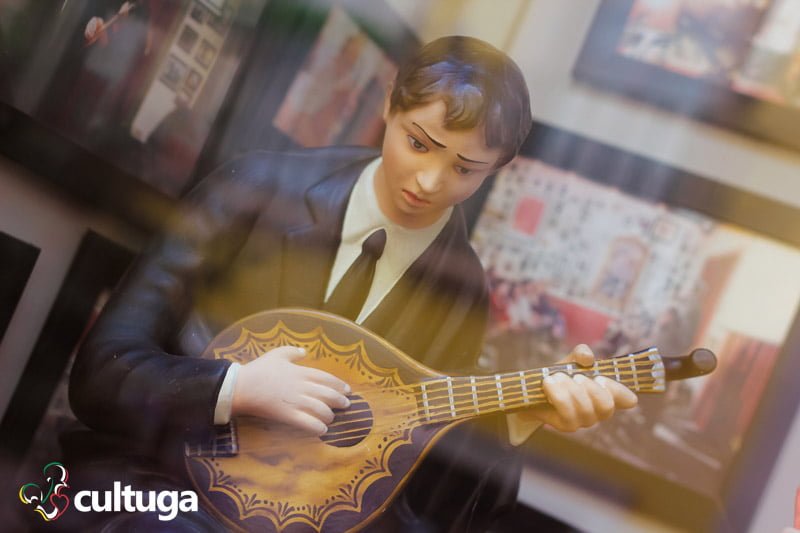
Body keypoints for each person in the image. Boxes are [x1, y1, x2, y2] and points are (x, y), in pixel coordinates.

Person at [66, 36, 637, 531]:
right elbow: (101, 373)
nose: (430, 181)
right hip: (154, 489)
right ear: (390, 103)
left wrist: (519, 419)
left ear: (497, 168)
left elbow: (414, 498)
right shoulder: (256, 189)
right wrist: (232, 389)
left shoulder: (460, 292)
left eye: (465, 169)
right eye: (419, 143)